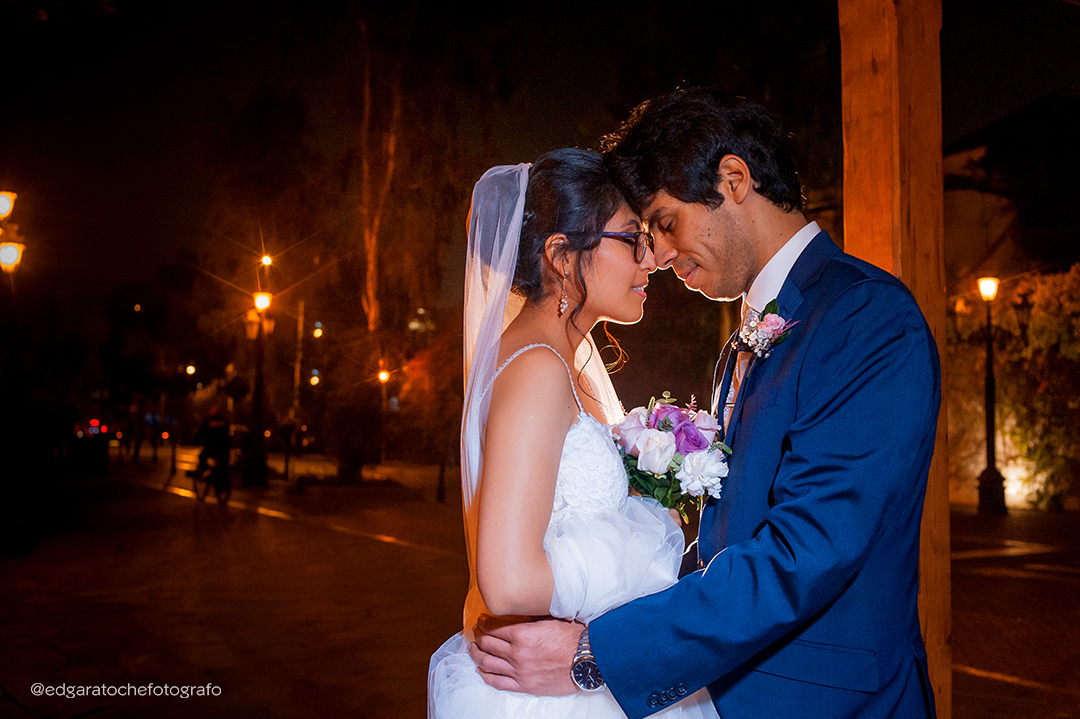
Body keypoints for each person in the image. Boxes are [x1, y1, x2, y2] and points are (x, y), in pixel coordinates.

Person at [468, 89, 942, 719]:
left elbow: (805, 550)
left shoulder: (866, 316)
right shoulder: (748, 336)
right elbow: (731, 538)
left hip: (825, 701)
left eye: (665, 224)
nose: (659, 257)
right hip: (723, 690)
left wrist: (598, 653)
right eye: (642, 236)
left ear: (733, 180)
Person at [428, 148, 718, 718]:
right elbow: (508, 580)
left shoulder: (567, 358)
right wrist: (647, 554)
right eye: (631, 239)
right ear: (562, 256)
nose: (651, 260)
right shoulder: (537, 367)